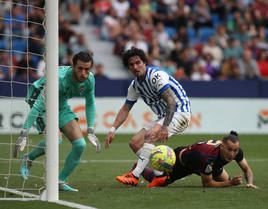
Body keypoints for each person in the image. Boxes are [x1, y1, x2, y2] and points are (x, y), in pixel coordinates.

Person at [13, 51, 101, 192]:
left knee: (80, 144)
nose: (84, 73)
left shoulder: (90, 79)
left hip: (61, 105)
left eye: (87, 69)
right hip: (41, 103)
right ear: (73, 66)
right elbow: (37, 107)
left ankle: (60, 181)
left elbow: (90, 102)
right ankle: (28, 159)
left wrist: (90, 130)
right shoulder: (58, 79)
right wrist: (24, 134)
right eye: (80, 69)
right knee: (56, 140)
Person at [105, 47, 191, 186]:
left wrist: (164, 127)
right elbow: (125, 108)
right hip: (164, 116)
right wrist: (112, 129)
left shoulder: (156, 76)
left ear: (145, 62)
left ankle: (134, 175)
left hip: (179, 112)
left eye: (138, 62)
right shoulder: (135, 86)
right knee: (134, 142)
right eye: (131, 65)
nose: (135, 67)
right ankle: (161, 176)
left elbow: (171, 102)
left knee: (150, 136)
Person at [140, 131, 258, 189]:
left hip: (210, 163)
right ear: (222, 146)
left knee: (226, 181)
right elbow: (207, 184)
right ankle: (139, 169)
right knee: (163, 182)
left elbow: (246, 169)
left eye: (235, 150)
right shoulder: (206, 158)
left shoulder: (236, 151)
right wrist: (231, 183)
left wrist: (250, 183)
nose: (233, 154)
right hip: (184, 162)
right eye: (230, 150)